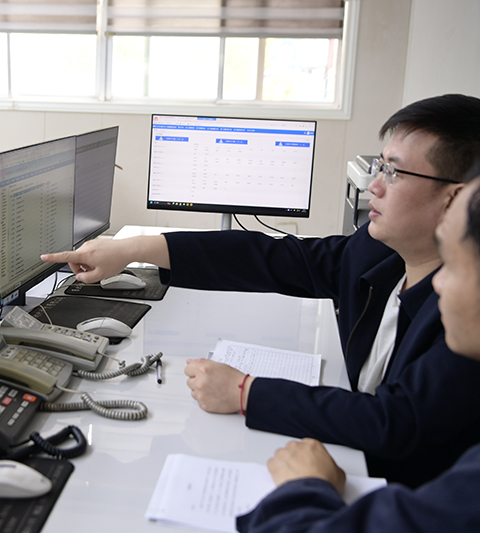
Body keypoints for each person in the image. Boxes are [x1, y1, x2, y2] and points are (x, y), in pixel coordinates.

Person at [41, 94, 480, 488]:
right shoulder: (379, 252)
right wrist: (132, 249)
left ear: (456, 198)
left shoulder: (468, 312)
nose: (374, 186)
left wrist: (246, 392)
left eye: (394, 173)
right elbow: (277, 258)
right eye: (377, 167)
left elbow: (397, 420)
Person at [236, 169, 480, 532]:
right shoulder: (377, 250)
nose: (439, 283)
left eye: (456, 265)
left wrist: (305, 487)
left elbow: (396, 421)